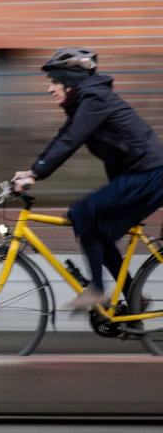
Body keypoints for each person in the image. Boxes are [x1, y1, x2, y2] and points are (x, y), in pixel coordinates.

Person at [12, 47, 163, 310]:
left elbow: (70, 141)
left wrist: (37, 173)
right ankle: (134, 298)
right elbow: (63, 138)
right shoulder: (88, 102)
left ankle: (96, 290)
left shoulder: (95, 100)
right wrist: (31, 171)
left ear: (69, 80)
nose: (49, 89)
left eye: (53, 81)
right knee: (98, 231)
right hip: (142, 176)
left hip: (150, 175)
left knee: (82, 211)